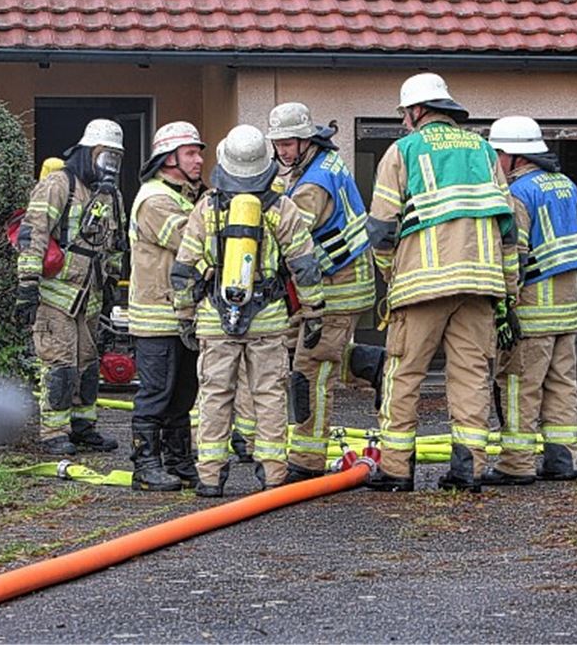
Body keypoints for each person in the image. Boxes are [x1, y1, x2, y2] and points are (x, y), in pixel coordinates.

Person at [364, 73, 519, 492]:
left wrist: (391, 275)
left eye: (404, 114)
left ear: (417, 110)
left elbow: (381, 228)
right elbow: (508, 227)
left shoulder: (403, 151)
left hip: (421, 287)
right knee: (471, 376)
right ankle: (469, 470)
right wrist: (508, 289)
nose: (403, 121)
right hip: (481, 286)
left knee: (403, 374)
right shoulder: (484, 151)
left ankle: (396, 469)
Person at [171, 124, 325, 497]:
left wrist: (185, 314)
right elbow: (305, 266)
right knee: (269, 394)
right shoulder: (281, 207)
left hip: (215, 318)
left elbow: (184, 268)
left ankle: (210, 476)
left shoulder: (207, 207)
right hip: (268, 319)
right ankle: (273, 474)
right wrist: (314, 310)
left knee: (215, 394)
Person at [265, 102, 386, 483]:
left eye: (288, 144)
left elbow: (288, 237)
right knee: (305, 352)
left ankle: (307, 460)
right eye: (278, 144)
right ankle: (372, 365)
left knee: (311, 371)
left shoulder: (312, 187)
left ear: (306, 140)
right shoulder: (320, 165)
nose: (282, 152)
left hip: (336, 288)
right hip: (335, 283)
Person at [485, 115, 577, 484]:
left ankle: (515, 465)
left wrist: (505, 305)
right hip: (568, 310)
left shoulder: (518, 194)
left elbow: (513, 257)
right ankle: (562, 461)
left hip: (531, 312)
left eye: (498, 154)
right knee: (562, 385)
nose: (495, 162)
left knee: (519, 386)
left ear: (516, 156)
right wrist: (573, 288)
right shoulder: (568, 186)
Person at [15, 119, 126, 455]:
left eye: (116, 157)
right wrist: (27, 285)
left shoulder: (110, 195)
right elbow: (33, 234)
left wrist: (112, 284)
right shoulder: (58, 184)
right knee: (60, 364)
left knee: (88, 363)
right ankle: (54, 432)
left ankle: (83, 426)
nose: (110, 164)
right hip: (55, 295)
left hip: (90, 295)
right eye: (106, 155)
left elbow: (116, 242)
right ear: (89, 152)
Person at [127, 121, 207, 490]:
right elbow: (190, 242)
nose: (199, 160)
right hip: (157, 317)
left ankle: (178, 461)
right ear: (168, 158)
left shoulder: (186, 196)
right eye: (190, 153)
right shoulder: (154, 200)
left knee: (182, 394)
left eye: (199, 152)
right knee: (156, 393)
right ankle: (145, 466)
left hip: (183, 314)